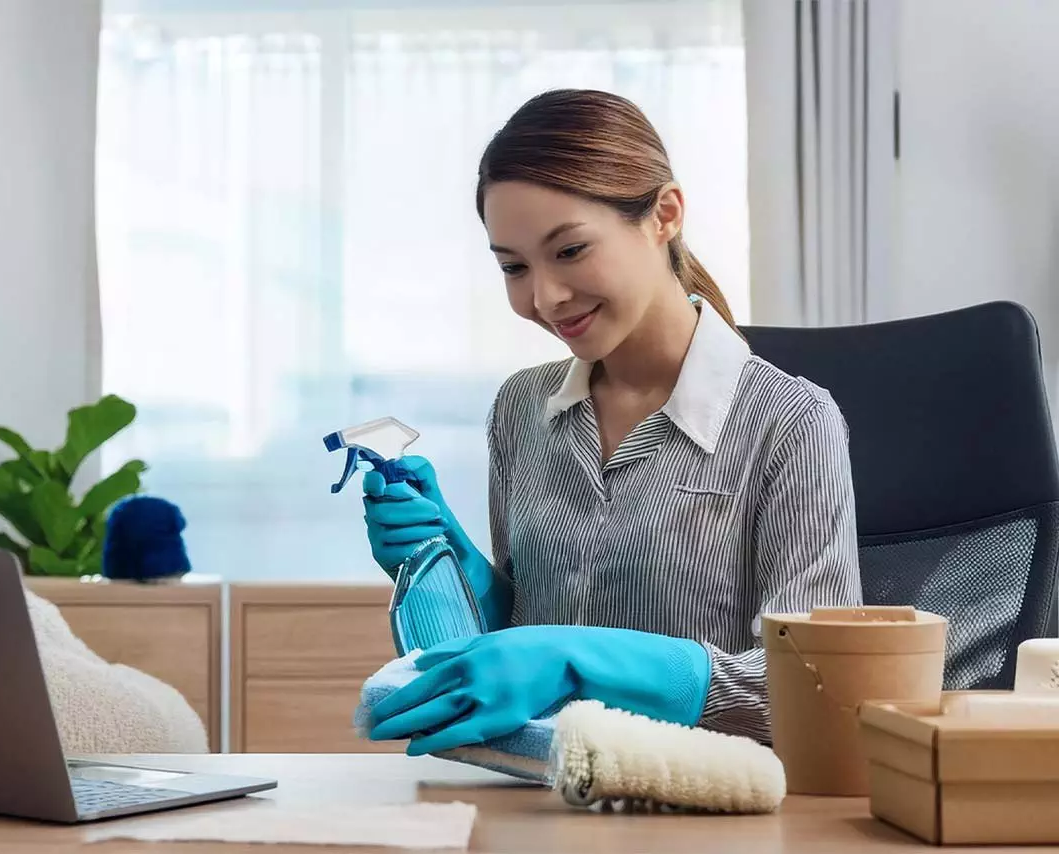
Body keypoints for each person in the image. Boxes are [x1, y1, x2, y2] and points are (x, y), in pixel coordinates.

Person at [359, 88, 863, 756]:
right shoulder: (521, 411)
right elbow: (524, 640)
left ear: (665, 215)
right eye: (513, 267)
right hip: (538, 798)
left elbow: (813, 691)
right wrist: (451, 567)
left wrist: (579, 660)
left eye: (568, 251)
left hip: (707, 809)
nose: (544, 297)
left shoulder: (790, 423)